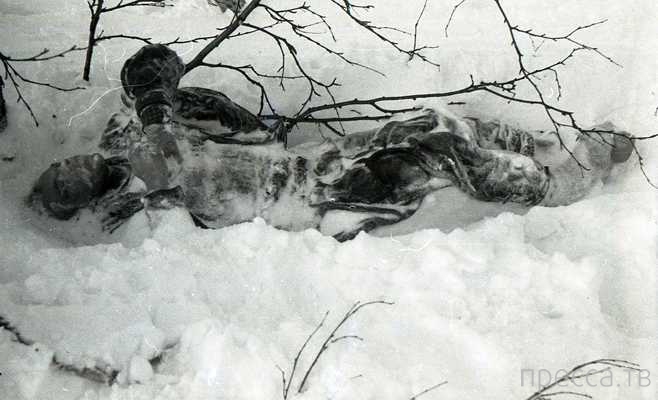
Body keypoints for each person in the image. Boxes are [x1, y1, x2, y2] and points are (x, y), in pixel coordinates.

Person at [28, 45, 634, 242]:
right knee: (437, 149)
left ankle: (538, 147)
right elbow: (166, 241)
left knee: (433, 121)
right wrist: (157, 192)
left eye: (56, 167)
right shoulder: (125, 216)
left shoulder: (127, 131)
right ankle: (560, 184)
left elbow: (154, 62)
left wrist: (159, 120)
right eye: (63, 184)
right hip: (309, 203)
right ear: (78, 203)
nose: (67, 167)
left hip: (307, 161)